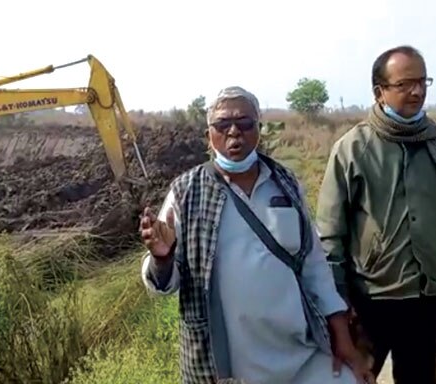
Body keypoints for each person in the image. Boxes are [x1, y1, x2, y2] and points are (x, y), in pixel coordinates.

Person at [139, 86, 375, 384]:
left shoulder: (285, 182)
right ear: (208, 134)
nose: (234, 132)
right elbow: (164, 284)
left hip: (300, 355)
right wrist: (162, 256)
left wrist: (343, 340)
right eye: (223, 125)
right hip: (227, 369)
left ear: (259, 129)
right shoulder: (186, 192)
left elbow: (315, 267)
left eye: (245, 123)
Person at [316, 45, 436, 384]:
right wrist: (339, 306)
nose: (417, 91)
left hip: (426, 296)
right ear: (380, 91)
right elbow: (331, 233)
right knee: (353, 378)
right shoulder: (353, 149)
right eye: (404, 84)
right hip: (370, 300)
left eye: (422, 81)